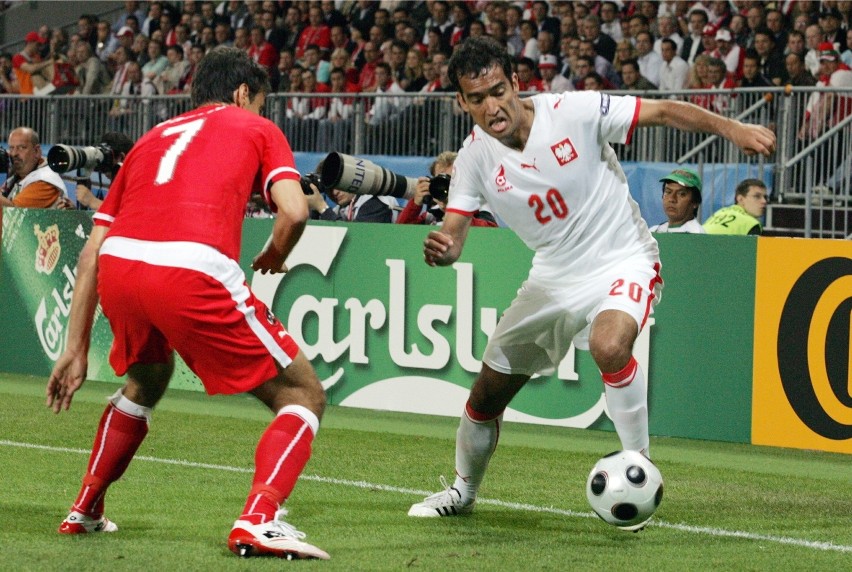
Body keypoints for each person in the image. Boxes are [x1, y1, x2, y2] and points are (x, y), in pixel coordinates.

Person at [406, 36, 774, 519]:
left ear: (516, 82)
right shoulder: (475, 157)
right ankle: (463, 491)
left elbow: (661, 111)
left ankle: (639, 466)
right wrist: (444, 249)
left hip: (622, 256)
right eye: (477, 99)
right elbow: (453, 234)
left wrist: (732, 128)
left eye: (498, 91)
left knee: (609, 345)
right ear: (461, 102)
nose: (492, 106)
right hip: (552, 278)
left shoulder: (573, 111)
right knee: (484, 396)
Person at [45, 46, 329, 561]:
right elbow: (294, 211)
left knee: (147, 377)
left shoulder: (152, 139)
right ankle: (258, 519)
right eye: (259, 102)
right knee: (304, 395)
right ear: (244, 94)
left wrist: (76, 347)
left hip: (122, 268)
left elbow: (92, 253)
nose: (260, 112)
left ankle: (85, 508)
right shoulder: (256, 127)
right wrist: (274, 253)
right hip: (191, 267)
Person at [397, 151, 497, 227]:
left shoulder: (479, 206)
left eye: (451, 179)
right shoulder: (433, 213)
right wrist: (415, 204)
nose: (445, 186)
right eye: (439, 180)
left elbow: (491, 235)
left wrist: (455, 211)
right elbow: (400, 234)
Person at [1, 127, 70, 209]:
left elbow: (14, 213)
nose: (14, 153)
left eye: (21, 147)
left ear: (37, 151)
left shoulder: (45, 181)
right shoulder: (17, 176)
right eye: (11, 148)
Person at [74, 131, 135, 210]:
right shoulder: (118, 182)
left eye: (105, 159)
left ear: (121, 157)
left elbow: (128, 214)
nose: (101, 165)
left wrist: (93, 202)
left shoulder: (138, 181)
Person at [648, 168, 706, 233]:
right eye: (668, 192)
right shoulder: (654, 231)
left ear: (695, 202)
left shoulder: (696, 235)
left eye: (681, 194)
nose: (672, 199)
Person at [703, 178, 768, 235]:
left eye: (765, 197)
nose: (764, 201)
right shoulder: (751, 224)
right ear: (740, 199)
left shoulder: (719, 213)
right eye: (757, 196)